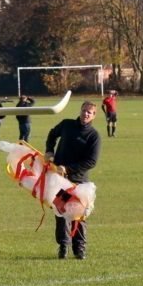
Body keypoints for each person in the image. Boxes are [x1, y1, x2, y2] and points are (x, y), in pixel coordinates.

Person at [45, 101, 101, 260]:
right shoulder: (67, 125)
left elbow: (91, 161)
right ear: (80, 110)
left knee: (79, 215)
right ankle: (63, 247)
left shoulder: (94, 136)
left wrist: (68, 168)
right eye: (84, 111)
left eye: (89, 113)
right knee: (61, 211)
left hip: (79, 182)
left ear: (94, 115)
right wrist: (49, 150)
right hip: (61, 180)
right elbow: (52, 134)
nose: (86, 114)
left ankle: (80, 249)